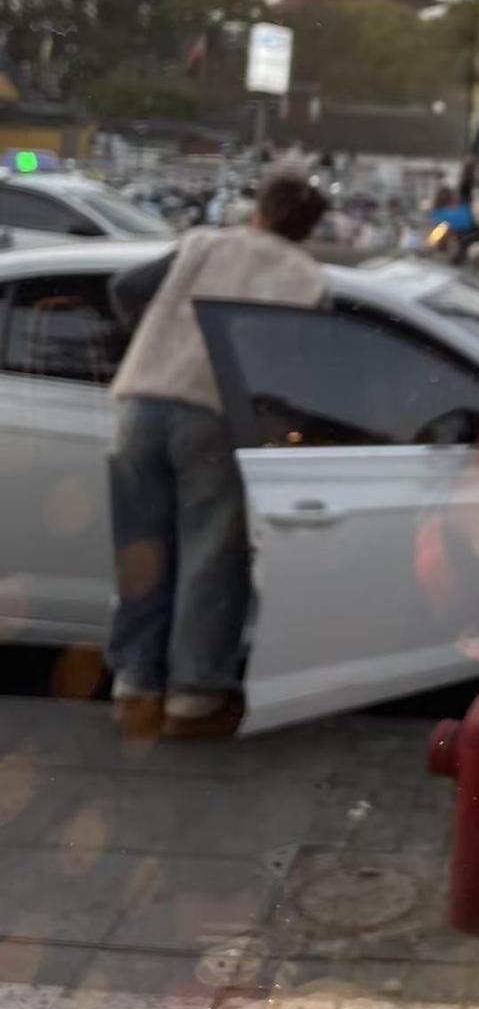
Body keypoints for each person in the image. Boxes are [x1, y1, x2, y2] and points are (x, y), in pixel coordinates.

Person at [106, 170, 328, 740]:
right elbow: (306, 363)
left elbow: (126, 288)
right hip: (215, 414)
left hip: (140, 403)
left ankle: (135, 686)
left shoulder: (203, 243)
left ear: (259, 210)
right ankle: (193, 696)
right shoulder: (308, 278)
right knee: (209, 558)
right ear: (309, 229)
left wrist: (154, 339)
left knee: (141, 547)